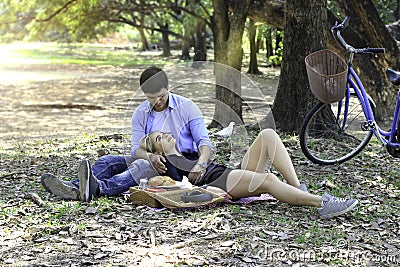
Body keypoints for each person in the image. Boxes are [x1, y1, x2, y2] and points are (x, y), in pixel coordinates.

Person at [41, 66, 213, 202]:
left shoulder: (187, 107)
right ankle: (74, 188)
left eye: (161, 96)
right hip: (153, 157)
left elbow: (203, 141)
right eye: (151, 97)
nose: (157, 101)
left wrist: (201, 164)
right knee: (107, 161)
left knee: (141, 167)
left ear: (168, 88)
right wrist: (150, 156)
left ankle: (99, 188)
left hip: (179, 162)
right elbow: (136, 149)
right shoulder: (141, 113)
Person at [139, 129, 359, 219]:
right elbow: (178, 190)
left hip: (229, 173)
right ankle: (322, 203)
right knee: (269, 180)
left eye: (165, 133)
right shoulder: (166, 163)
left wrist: (201, 163)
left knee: (268, 135)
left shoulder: (187, 152)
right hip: (221, 182)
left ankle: (298, 189)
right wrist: (207, 191)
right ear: (157, 150)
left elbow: (205, 150)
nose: (166, 135)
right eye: (160, 138)